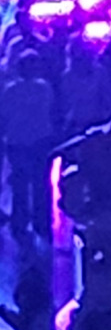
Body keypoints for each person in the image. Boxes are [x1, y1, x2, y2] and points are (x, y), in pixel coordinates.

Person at [1, 48, 57, 244]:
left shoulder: (10, 90)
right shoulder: (45, 88)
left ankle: (20, 222)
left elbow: (4, 117)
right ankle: (42, 221)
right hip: (40, 140)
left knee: (20, 184)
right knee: (40, 183)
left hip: (17, 141)